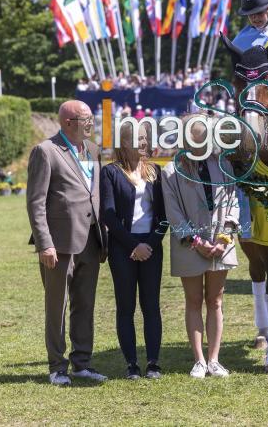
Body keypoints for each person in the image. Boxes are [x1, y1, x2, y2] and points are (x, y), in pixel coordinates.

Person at [26, 100, 108, 386]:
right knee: (56, 307)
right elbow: (35, 203)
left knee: (84, 305)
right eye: (86, 119)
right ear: (68, 122)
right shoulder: (45, 151)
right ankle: (57, 367)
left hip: (91, 241)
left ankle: (82, 364)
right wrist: (44, 243)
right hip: (58, 245)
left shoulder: (94, 151)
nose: (91, 123)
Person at [161, 116, 240, 378]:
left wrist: (224, 238)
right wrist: (196, 241)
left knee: (215, 301)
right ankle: (199, 360)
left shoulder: (224, 165)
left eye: (205, 137)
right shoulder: (171, 171)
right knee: (193, 300)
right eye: (196, 138)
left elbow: (233, 204)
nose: (201, 143)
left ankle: (215, 360)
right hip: (189, 246)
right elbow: (173, 213)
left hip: (221, 245)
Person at [100, 122, 167, 380]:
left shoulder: (155, 172)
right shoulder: (110, 173)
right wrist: (133, 245)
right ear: (122, 142)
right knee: (125, 307)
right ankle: (131, 364)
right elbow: (109, 215)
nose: (142, 143)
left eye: (144, 138)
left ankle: (153, 363)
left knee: (151, 306)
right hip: (123, 249)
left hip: (151, 248)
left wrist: (149, 244)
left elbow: (164, 217)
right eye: (136, 138)